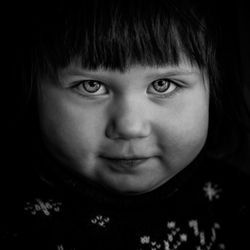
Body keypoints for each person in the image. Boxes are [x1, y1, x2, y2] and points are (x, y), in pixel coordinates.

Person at [1, 0, 249, 249]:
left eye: (163, 84)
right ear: (32, 89)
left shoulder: (234, 205)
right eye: (91, 86)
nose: (130, 127)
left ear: (214, 87)